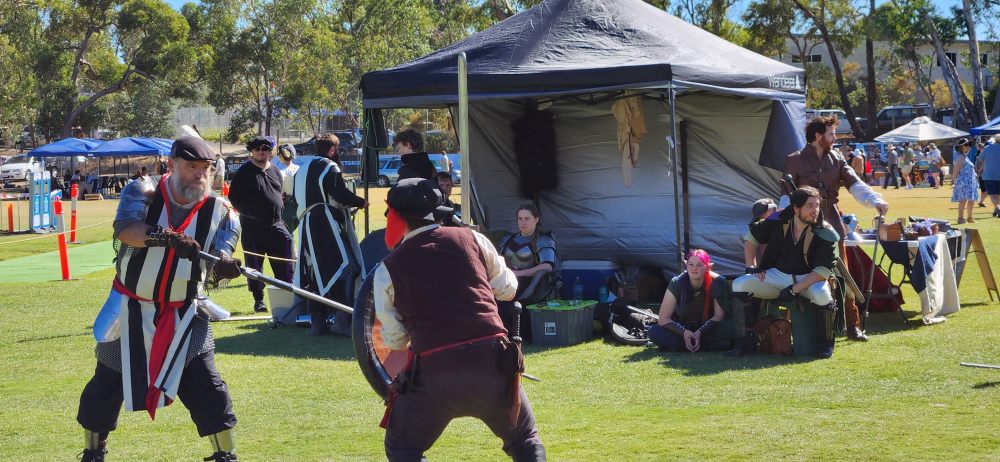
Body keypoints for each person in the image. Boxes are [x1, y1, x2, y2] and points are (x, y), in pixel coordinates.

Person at [76, 135, 243, 462]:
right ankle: (93, 452)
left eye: (205, 169)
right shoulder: (142, 192)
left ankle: (225, 455)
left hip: (185, 315)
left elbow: (216, 262)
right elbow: (126, 229)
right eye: (191, 167)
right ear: (172, 165)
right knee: (104, 388)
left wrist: (224, 269)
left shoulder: (222, 211)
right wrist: (163, 237)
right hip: (129, 309)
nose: (199, 175)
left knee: (210, 389)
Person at [374, 178, 545, 461]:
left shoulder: (388, 268)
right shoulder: (473, 239)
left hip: (434, 375)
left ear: (397, 216)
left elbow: (395, 340)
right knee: (524, 439)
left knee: (402, 446)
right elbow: (508, 289)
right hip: (493, 365)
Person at [784, 116, 889, 342]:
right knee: (800, 275)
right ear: (818, 136)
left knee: (843, 276)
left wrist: (875, 200)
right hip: (802, 230)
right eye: (831, 134)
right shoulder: (794, 160)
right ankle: (798, 329)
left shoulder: (837, 158)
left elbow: (854, 183)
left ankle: (852, 326)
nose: (835, 138)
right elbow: (786, 198)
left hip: (832, 226)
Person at [732, 187, 840, 358]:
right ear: (796, 209)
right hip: (777, 275)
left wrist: (794, 289)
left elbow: (823, 270)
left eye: (817, 205)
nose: (815, 211)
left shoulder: (825, 231)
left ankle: (825, 345)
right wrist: (751, 266)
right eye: (809, 206)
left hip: (809, 279)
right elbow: (751, 236)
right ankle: (745, 342)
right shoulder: (779, 218)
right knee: (740, 284)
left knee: (822, 295)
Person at [292, 132, 368, 336]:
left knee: (315, 272)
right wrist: (361, 202)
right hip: (324, 222)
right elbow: (339, 193)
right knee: (348, 267)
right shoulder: (329, 166)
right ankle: (342, 321)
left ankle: (318, 323)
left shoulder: (302, 168)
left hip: (307, 223)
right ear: (333, 150)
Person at [228, 136, 294, 312]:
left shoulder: (275, 171)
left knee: (285, 262)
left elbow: (279, 193)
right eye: (257, 148)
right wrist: (250, 211)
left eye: (264, 148)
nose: (260, 151)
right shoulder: (243, 173)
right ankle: (259, 300)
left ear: (270, 151)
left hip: (276, 225)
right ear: (252, 151)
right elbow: (234, 197)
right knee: (254, 266)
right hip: (253, 226)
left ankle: (287, 298)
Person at [646, 250, 729, 352]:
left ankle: (682, 346)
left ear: (708, 267)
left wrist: (699, 332)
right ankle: (706, 345)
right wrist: (684, 333)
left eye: (699, 265)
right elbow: (663, 319)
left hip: (709, 329)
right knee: (654, 332)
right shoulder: (677, 282)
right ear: (686, 264)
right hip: (683, 327)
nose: (694, 268)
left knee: (730, 330)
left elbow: (718, 316)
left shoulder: (718, 282)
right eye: (691, 264)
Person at [496, 204, 559, 310]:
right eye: (520, 219)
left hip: (531, 289)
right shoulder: (507, 239)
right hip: (507, 284)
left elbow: (547, 266)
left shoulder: (544, 240)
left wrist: (519, 274)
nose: (523, 222)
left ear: (536, 219)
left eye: (527, 218)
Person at [951, 139, 979, 224]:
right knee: (963, 200)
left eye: (968, 145)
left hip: (970, 182)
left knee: (971, 200)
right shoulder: (960, 157)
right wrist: (954, 180)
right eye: (966, 145)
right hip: (964, 182)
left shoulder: (964, 156)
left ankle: (970, 218)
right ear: (961, 147)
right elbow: (956, 170)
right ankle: (960, 218)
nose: (968, 147)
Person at [275, 143, 299, 230]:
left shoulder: (279, 170)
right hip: (298, 205)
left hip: (286, 206)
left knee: (287, 234)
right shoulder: (299, 169)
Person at [979, 135, 1000, 217]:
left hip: (989, 175)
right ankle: (996, 209)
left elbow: (981, 158)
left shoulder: (987, 148)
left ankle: (997, 207)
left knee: (993, 194)